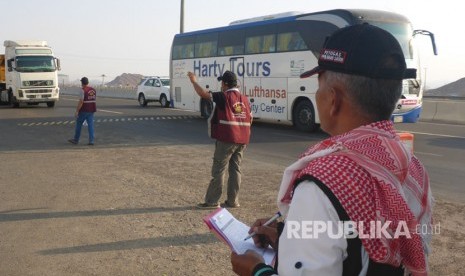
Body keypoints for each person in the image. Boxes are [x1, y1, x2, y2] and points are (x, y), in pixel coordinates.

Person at [230, 24, 433, 276]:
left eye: (319, 86)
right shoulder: (412, 167)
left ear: (333, 100)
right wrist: (288, 236)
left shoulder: (323, 182)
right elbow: (364, 236)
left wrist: (255, 270)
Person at [187, 70, 252, 209]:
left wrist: (193, 81)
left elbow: (203, 94)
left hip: (227, 138)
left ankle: (212, 201)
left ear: (225, 84)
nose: (221, 85)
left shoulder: (224, 96)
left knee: (219, 170)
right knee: (235, 169)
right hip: (242, 140)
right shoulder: (244, 99)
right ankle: (233, 201)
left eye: (222, 82)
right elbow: (250, 118)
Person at [68, 77, 97, 145]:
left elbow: (81, 101)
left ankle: (76, 139)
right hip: (91, 110)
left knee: (79, 124)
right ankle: (91, 141)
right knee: (90, 125)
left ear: (82, 83)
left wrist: (77, 111)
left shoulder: (83, 90)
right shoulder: (93, 90)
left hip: (84, 110)